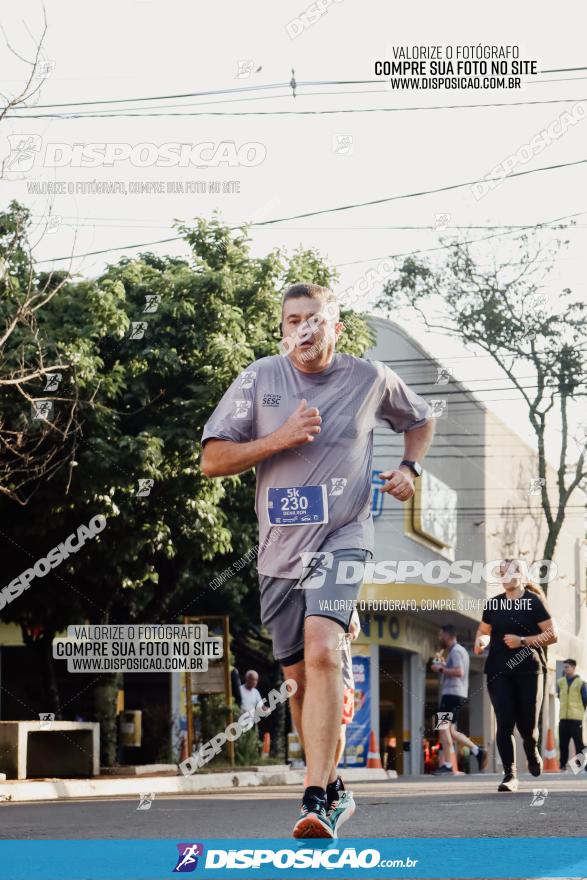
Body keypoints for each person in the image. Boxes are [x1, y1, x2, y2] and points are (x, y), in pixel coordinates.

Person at [201, 282, 434, 837]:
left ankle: (312, 795)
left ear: (336, 325)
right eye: (292, 320)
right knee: (300, 680)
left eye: (313, 318)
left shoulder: (369, 378)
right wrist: (277, 438)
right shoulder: (259, 378)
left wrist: (410, 469)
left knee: (324, 649)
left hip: (344, 535)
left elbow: (420, 419)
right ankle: (332, 790)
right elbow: (212, 460)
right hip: (279, 550)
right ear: (283, 327)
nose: (302, 329)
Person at [474, 559, 558, 792]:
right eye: (501, 572)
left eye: (509, 571)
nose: (504, 576)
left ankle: (532, 752)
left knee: (528, 727)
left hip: (529, 671)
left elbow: (553, 634)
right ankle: (510, 775)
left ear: (521, 574)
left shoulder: (534, 602)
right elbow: (484, 630)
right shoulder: (494, 604)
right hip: (498, 670)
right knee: (504, 721)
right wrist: (482, 640)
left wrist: (523, 641)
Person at [431, 624, 488, 774]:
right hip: (457, 694)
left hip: (451, 694)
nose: (439, 638)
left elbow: (459, 672)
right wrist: (444, 665)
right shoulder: (458, 651)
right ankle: (477, 751)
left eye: (441, 635)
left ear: (448, 636)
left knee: (442, 728)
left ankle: (448, 765)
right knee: (451, 731)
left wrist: (441, 669)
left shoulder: (456, 651)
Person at [557, 659, 587, 771]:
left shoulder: (580, 682)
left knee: (578, 744)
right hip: (563, 718)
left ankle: (578, 766)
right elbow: (560, 696)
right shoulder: (560, 681)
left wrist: (580, 711)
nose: (565, 669)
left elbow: (585, 699)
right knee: (563, 744)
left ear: (573, 668)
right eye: (564, 667)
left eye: (567, 667)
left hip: (576, 718)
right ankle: (562, 766)